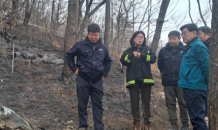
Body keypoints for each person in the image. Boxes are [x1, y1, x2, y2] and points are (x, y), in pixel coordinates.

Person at [66, 23, 112, 130]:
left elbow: (108, 62)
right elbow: (69, 56)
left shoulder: (103, 48)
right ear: (88, 34)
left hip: (97, 81)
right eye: (92, 35)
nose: (94, 37)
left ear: (99, 34)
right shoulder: (80, 45)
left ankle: (99, 127)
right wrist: (75, 69)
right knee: (82, 104)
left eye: (96, 35)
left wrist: (104, 73)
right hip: (83, 79)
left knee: (98, 105)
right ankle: (83, 126)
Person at [120, 31, 156, 130]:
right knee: (134, 102)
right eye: (138, 37)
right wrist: (131, 55)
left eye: (142, 37)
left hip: (146, 80)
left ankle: (147, 122)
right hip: (133, 80)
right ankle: (137, 122)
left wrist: (142, 56)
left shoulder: (148, 49)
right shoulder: (128, 50)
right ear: (133, 39)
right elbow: (123, 61)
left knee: (146, 101)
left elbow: (153, 59)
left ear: (144, 39)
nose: (140, 39)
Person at [179, 23, 209, 130]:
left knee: (197, 118)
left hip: (195, 87)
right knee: (195, 118)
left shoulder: (198, 46)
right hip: (189, 86)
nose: (182, 36)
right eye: (182, 34)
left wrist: (205, 83)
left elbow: (206, 67)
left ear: (194, 33)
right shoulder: (189, 47)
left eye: (185, 33)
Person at [158, 31, 189, 130]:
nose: (171, 40)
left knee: (183, 103)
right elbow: (160, 65)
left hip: (182, 82)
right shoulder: (163, 51)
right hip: (168, 82)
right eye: (170, 38)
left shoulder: (185, 49)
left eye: (174, 38)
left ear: (179, 39)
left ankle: (185, 124)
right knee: (170, 103)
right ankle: (173, 124)